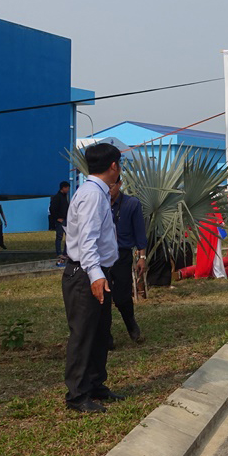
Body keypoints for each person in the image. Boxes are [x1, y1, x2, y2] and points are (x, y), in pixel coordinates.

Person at [61, 143, 123, 413]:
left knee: (100, 333)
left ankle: (96, 384)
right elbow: (86, 241)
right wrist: (96, 276)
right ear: (113, 166)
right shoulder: (92, 195)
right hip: (85, 274)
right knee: (83, 334)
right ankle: (77, 395)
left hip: (98, 272)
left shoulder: (98, 192)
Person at [109, 181, 148, 346]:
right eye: (106, 184)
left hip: (121, 255)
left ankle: (132, 327)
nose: (109, 188)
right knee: (101, 298)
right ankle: (105, 336)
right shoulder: (97, 202)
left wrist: (142, 257)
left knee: (122, 296)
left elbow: (139, 231)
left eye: (112, 184)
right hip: (100, 256)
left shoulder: (131, 204)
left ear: (120, 184)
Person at [50, 181, 70, 264]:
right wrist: (57, 218)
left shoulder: (65, 197)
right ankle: (59, 253)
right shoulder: (57, 197)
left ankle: (66, 252)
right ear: (63, 188)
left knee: (68, 236)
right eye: (67, 188)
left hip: (65, 219)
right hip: (60, 220)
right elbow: (52, 209)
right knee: (59, 236)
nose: (68, 190)